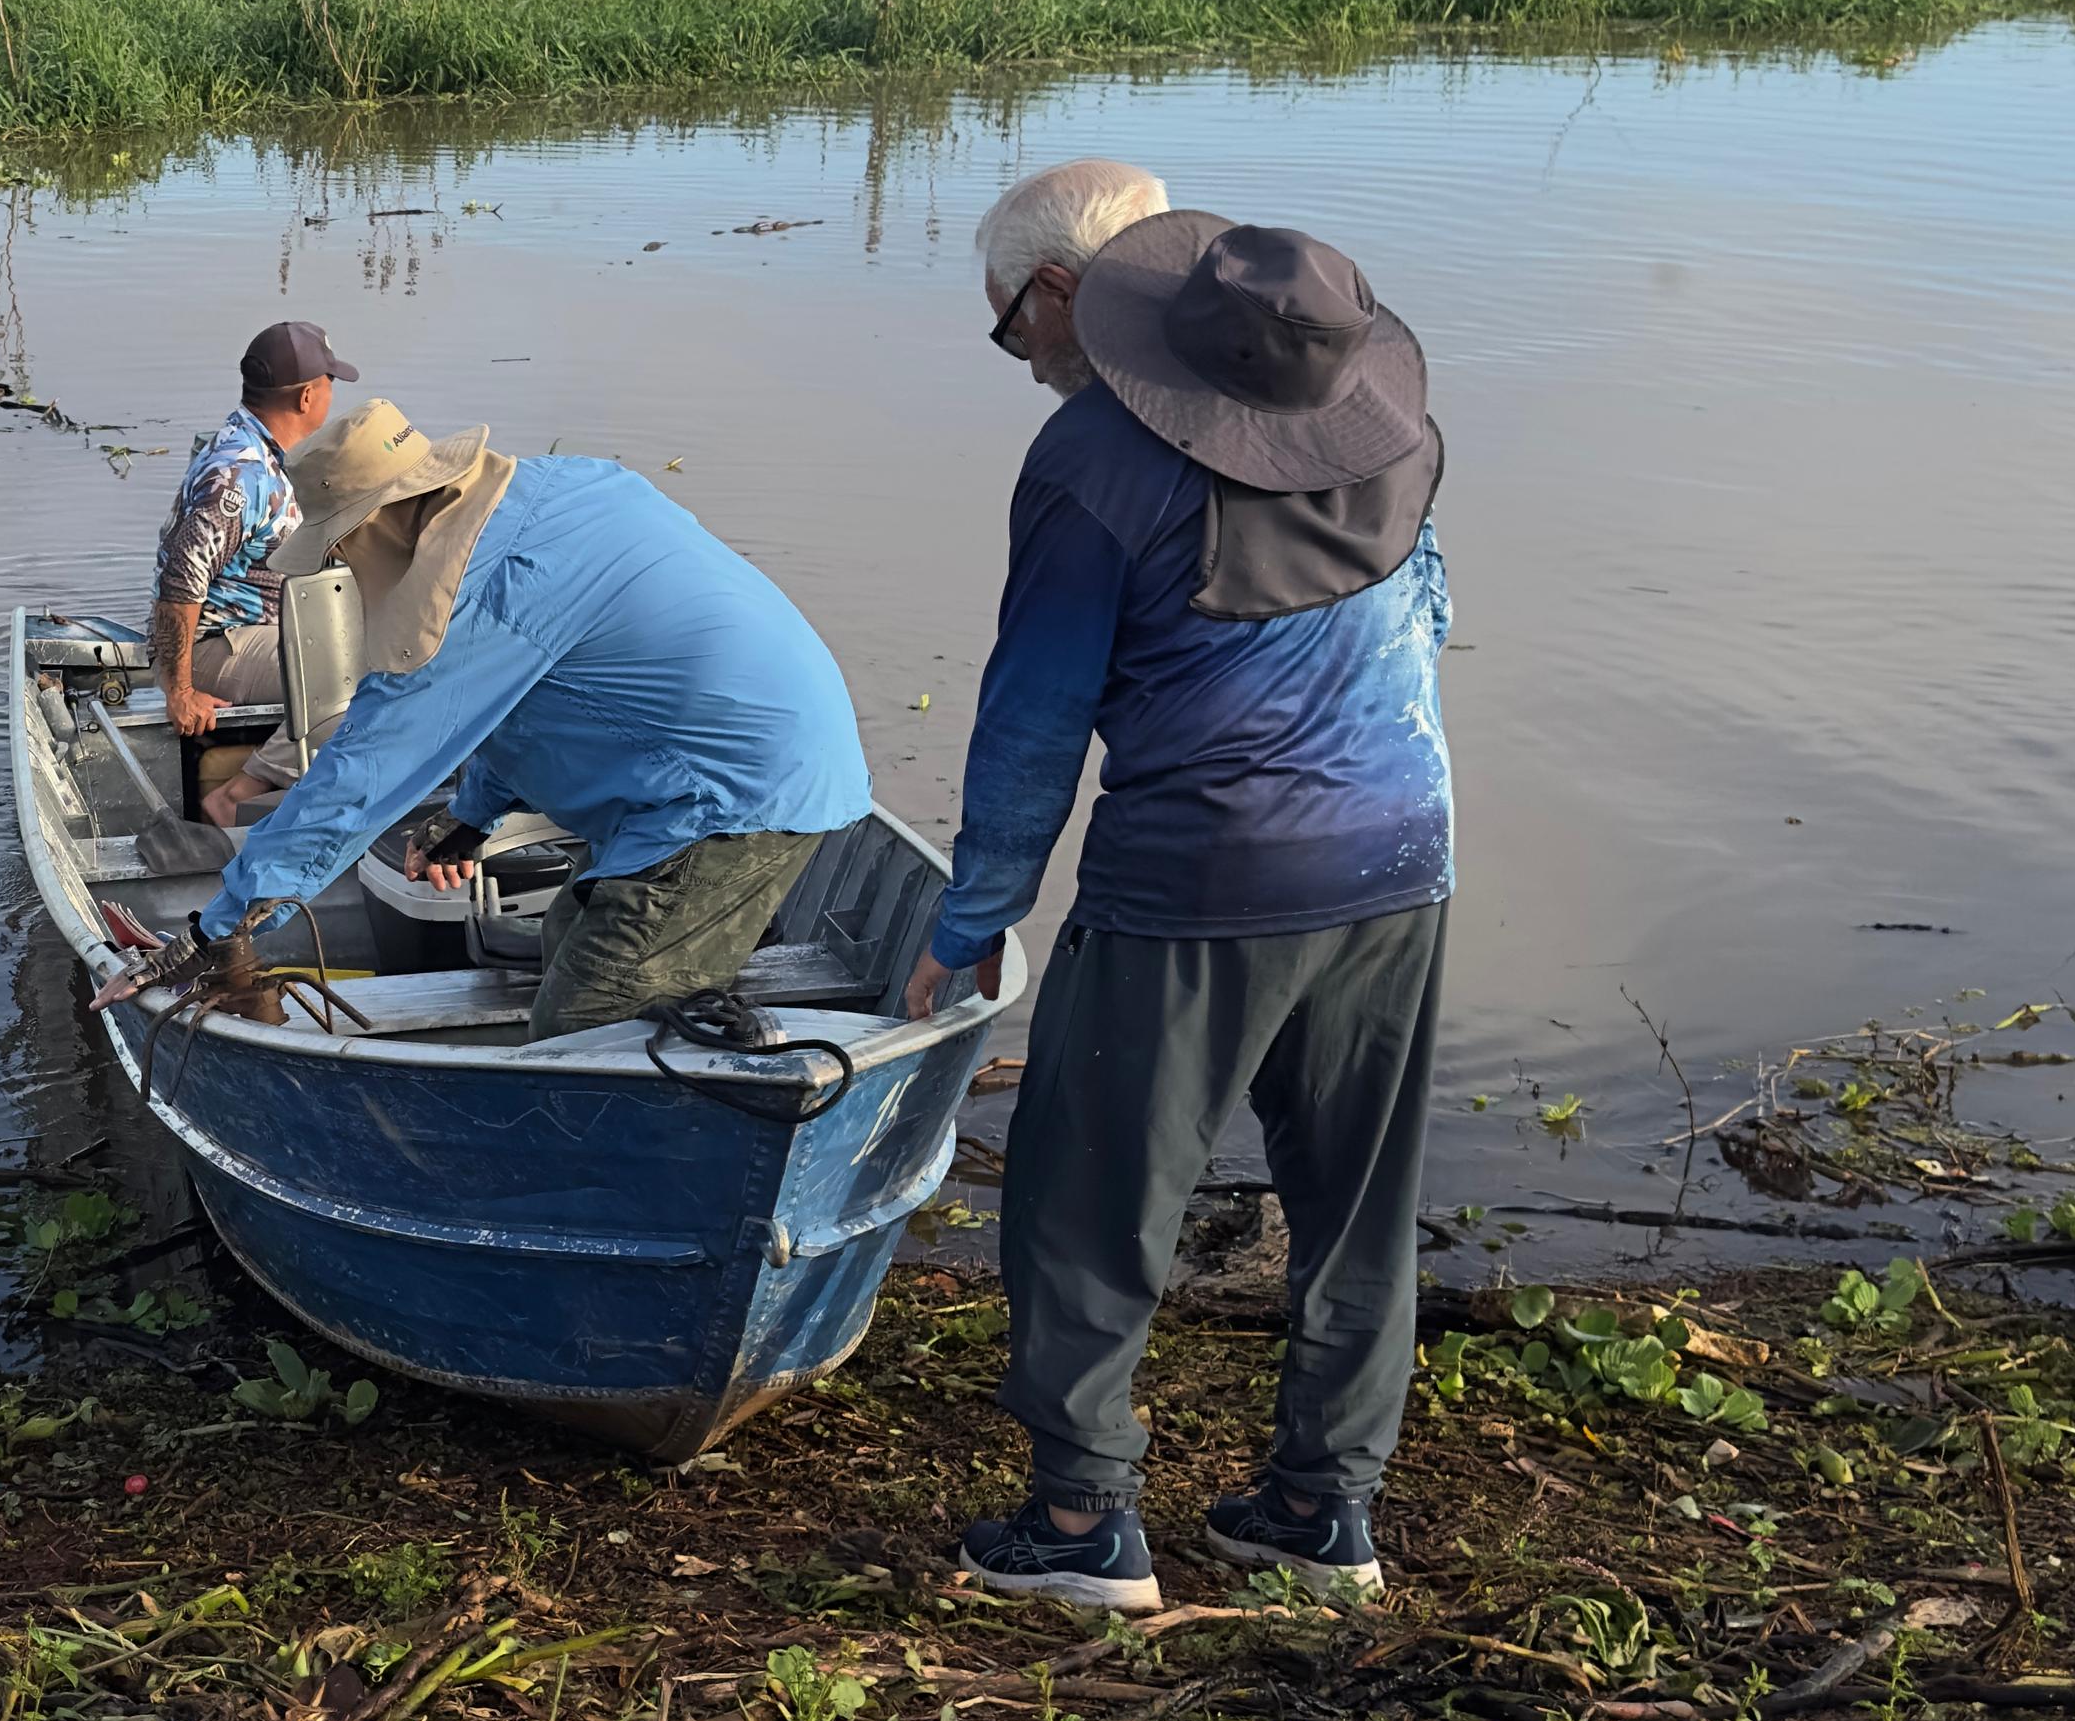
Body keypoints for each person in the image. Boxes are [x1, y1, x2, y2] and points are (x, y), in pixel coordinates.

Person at [901, 160, 1454, 1615]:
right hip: (1405, 849)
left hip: (1202, 869)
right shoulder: (1389, 433)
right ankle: (1321, 1510)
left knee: (1090, 1192)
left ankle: (1083, 1524)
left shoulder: (1092, 463)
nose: (1019, 352)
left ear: (1076, 301)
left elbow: (1032, 724)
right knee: (1356, 1198)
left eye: (1011, 323)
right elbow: (1433, 610)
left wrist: (972, 925)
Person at [163, 400, 870, 1038]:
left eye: (339, 545)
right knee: (569, 933)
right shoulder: (562, 489)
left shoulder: (477, 596)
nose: (341, 563)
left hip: (730, 796)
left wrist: (219, 930)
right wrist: (471, 817)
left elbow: (359, 779)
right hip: (754, 753)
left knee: (585, 1026)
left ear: (376, 523)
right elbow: (536, 695)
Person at [151, 318, 353, 825]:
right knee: (361, 680)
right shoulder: (240, 474)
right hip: (216, 644)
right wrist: (179, 690)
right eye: (329, 383)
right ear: (307, 397)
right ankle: (236, 796)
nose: (333, 395)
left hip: (263, 631)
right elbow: (181, 580)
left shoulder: (272, 452)